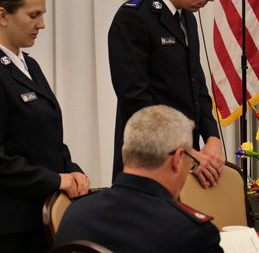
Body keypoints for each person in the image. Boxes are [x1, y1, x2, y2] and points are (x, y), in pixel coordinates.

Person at [0, 0, 89, 253]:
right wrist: (55, 180)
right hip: (1, 227)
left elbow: (44, 136)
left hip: (35, 218)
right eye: (33, 15)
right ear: (2, 16)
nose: (41, 25)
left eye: (42, 15)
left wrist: (71, 171)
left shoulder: (28, 64)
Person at [108, 0, 225, 187]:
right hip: (150, 158)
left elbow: (197, 85)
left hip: (186, 155)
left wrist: (212, 136)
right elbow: (135, 98)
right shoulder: (133, 17)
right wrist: (185, 150)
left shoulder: (187, 19)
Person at [54, 105, 223, 252]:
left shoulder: (74, 216)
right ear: (178, 159)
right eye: (189, 158)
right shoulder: (194, 235)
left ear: (123, 152)